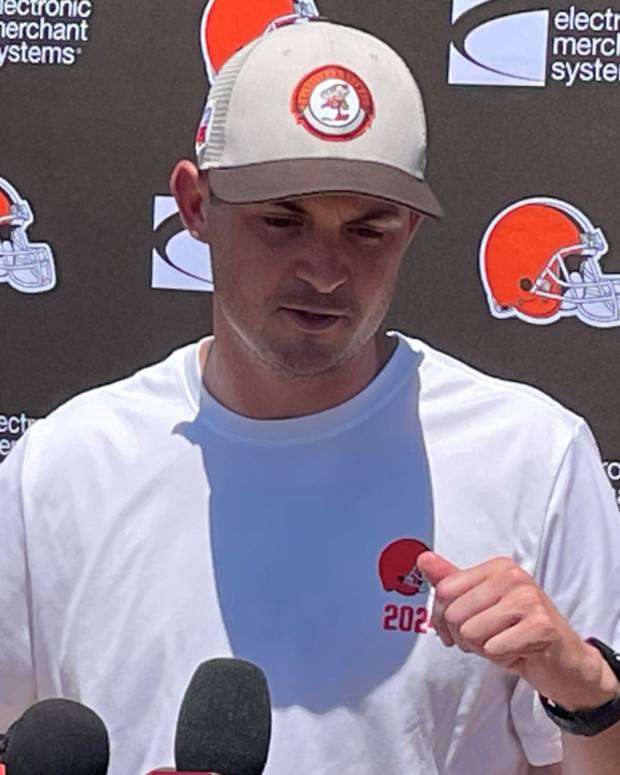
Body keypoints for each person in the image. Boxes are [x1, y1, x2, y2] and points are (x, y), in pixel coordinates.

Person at [1, 18, 620, 775]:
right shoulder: (60, 469)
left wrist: (588, 693)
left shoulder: (534, 455)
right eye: (281, 220)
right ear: (195, 206)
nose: (325, 271)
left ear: (412, 232)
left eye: (369, 230)